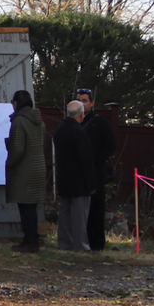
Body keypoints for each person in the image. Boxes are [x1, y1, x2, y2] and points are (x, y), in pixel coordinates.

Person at [4, 90, 46, 252]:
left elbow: (18, 149)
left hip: (24, 169)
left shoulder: (19, 121)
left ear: (16, 103)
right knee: (32, 207)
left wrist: (10, 164)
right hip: (38, 167)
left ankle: (30, 241)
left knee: (25, 207)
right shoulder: (39, 122)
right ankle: (32, 239)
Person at [77, 89, 118, 252]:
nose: (82, 103)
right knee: (80, 209)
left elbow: (111, 145)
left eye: (85, 100)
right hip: (78, 172)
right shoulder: (74, 123)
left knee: (96, 207)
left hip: (96, 172)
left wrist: (96, 160)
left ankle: (97, 243)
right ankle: (81, 241)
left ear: (92, 103)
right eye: (79, 100)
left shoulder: (100, 123)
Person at [54, 100, 96, 253]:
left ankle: (64, 243)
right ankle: (80, 245)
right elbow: (86, 160)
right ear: (81, 114)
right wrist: (91, 184)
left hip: (64, 178)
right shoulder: (79, 132)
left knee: (64, 213)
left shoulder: (59, 131)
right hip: (79, 181)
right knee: (79, 216)